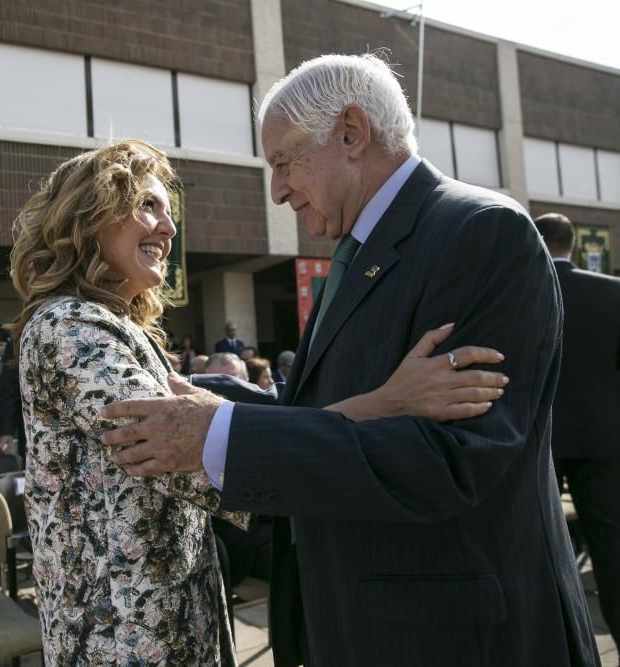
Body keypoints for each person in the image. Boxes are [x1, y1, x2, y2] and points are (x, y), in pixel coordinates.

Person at [101, 54, 598, 667]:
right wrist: (214, 404)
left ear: (352, 133)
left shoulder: (481, 232)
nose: (278, 189)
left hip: (455, 639)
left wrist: (222, 434)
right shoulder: (361, 250)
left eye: (284, 161)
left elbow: (450, 460)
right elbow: (321, 412)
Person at [8, 139, 502, 664]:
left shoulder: (117, 328)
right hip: (117, 638)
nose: (169, 229)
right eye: (147, 205)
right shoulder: (68, 328)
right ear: (87, 217)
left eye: (167, 210)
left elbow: (225, 435)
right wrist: (387, 403)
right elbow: (202, 450)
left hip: (167, 623)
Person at [536, 212, 620, 651]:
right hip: (605, 439)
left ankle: (558, 648)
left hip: (540, 440)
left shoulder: (523, 290)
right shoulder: (613, 292)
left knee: (542, 550)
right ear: (570, 243)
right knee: (613, 547)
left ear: (537, 240)